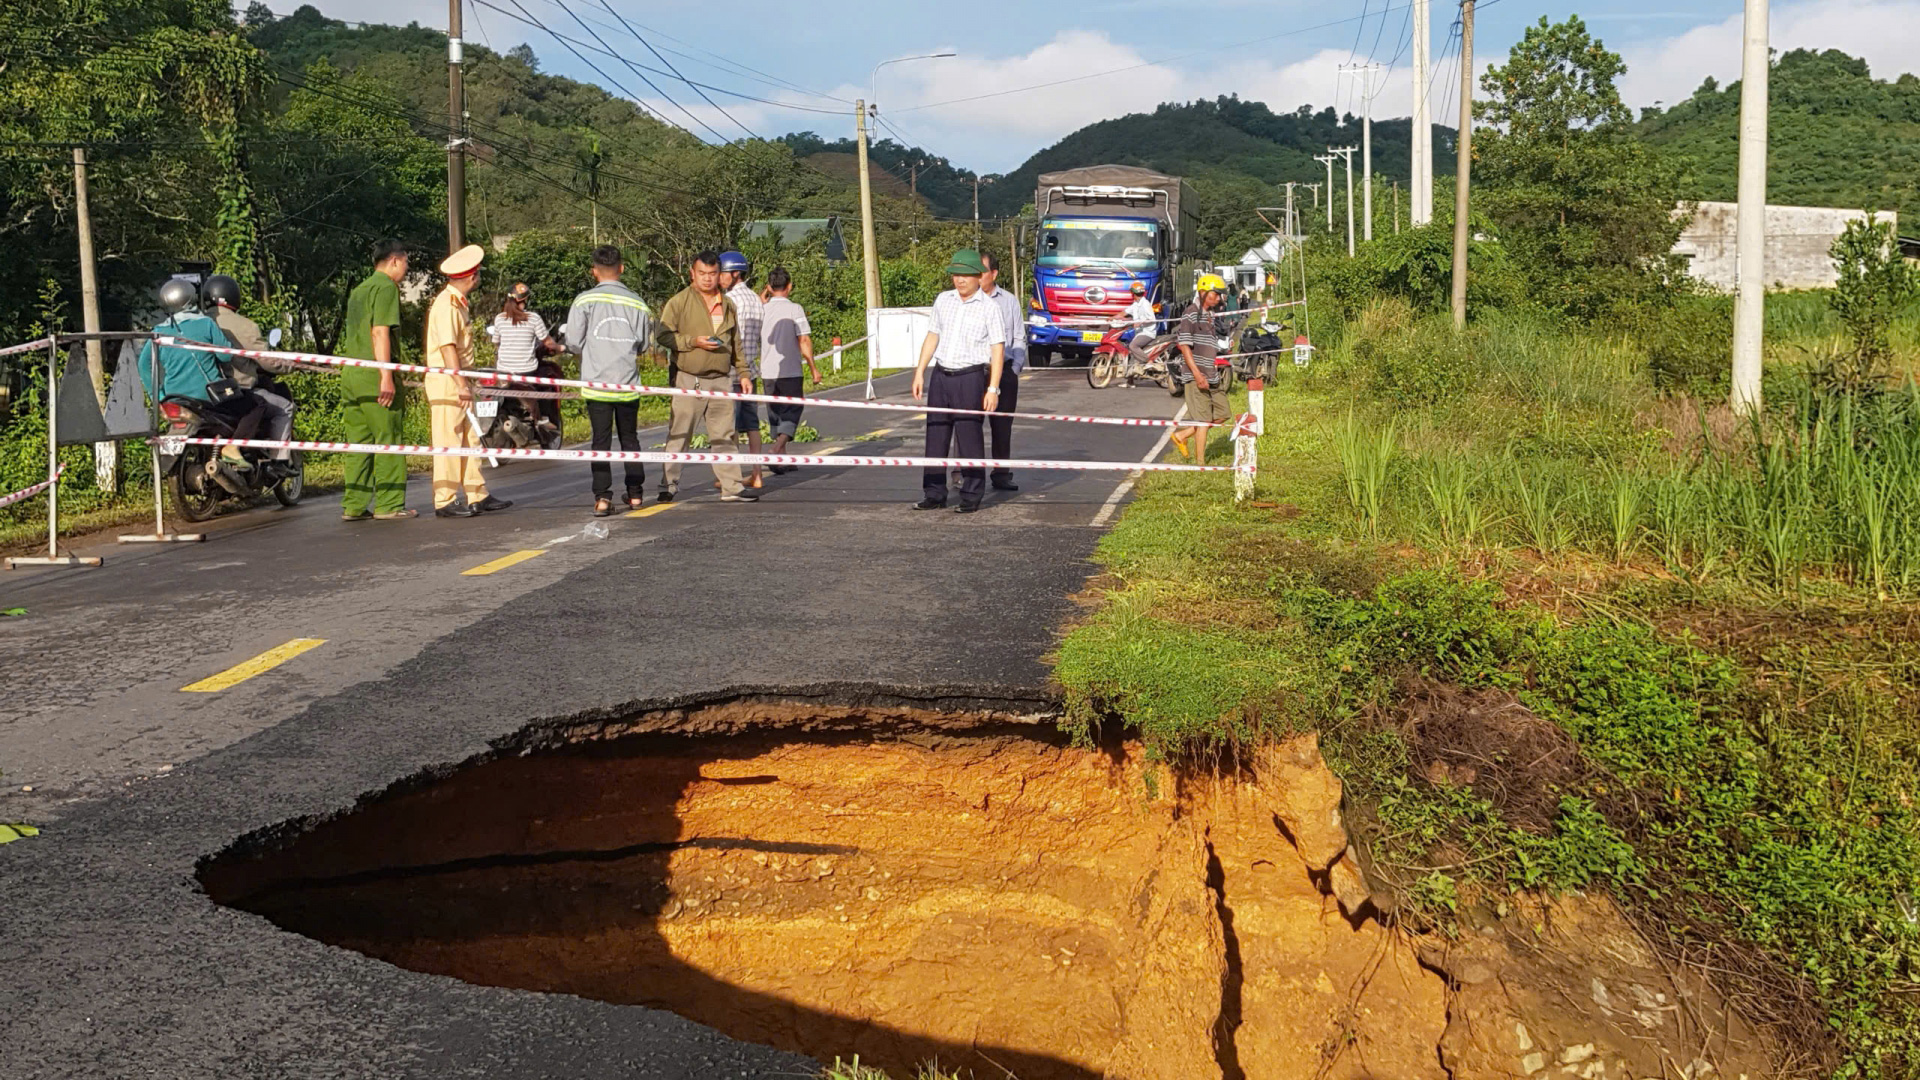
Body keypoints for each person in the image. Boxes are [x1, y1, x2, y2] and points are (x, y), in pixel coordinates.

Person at [910, 248, 1006, 514]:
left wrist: (993, 388)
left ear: (979, 276)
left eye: (965, 275)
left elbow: (997, 349)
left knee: (969, 438)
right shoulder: (944, 300)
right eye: (955, 274)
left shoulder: (990, 307)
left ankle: (971, 495)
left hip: (970, 376)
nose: (960, 280)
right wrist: (920, 372)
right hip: (942, 375)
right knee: (936, 436)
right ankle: (934, 493)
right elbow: (932, 336)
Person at [655, 250, 755, 503]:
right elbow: (663, 336)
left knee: (724, 435)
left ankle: (732, 487)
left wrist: (744, 373)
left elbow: (736, 343)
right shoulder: (679, 302)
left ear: (719, 275)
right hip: (689, 378)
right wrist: (693, 342)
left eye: (712, 274)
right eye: (702, 274)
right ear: (692, 273)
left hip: (721, 379)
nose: (708, 279)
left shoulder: (728, 304)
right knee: (679, 434)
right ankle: (669, 484)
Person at [563, 245, 653, 516]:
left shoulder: (583, 301)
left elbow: (573, 342)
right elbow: (644, 344)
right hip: (627, 383)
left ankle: (602, 498)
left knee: (600, 441)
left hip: (596, 384)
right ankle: (636, 494)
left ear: (594, 272)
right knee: (630, 440)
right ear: (622, 268)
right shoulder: (638, 303)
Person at [136, 277, 259, 473]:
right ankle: (232, 448)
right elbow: (224, 357)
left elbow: (143, 365)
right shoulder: (205, 324)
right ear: (191, 298)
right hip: (208, 396)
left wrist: (157, 397)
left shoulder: (158, 332)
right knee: (255, 405)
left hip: (172, 398)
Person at [425, 243, 511, 518]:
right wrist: (460, 383)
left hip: (460, 377)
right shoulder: (446, 304)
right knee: (449, 439)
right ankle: (445, 499)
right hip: (448, 379)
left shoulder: (458, 304)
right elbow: (448, 347)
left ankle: (477, 493)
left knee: (471, 438)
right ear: (472, 277)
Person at [337, 239, 415, 520]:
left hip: (351, 373)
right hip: (374, 373)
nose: (406, 269)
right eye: (406, 262)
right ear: (394, 260)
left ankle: (354, 505)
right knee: (388, 437)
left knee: (359, 442)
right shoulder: (385, 288)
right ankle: (390, 504)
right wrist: (387, 375)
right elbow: (380, 332)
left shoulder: (359, 290)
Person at [201, 274, 296, 475]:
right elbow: (268, 361)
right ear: (233, 297)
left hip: (201, 392)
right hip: (238, 390)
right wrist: (290, 365)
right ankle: (278, 462)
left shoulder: (198, 324)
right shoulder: (245, 326)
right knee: (285, 408)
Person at [758, 266, 819, 470]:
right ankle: (776, 449)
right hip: (791, 371)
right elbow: (804, 340)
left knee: (775, 414)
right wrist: (813, 368)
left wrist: (762, 297)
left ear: (769, 286)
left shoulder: (762, 309)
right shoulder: (795, 309)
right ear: (789, 286)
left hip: (767, 371)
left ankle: (781, 460)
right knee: (792, 411)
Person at [1170, 273, 1231, 463]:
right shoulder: (1191, 313)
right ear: (1203, 292)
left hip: (1211, 375)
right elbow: (1185, 346)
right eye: (1216, 294)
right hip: (1197, 375)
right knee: (1203, 421)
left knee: (1223, 414)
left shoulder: (1210, 316)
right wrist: (1197, 374)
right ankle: (1201, 465)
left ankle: (1182, 436)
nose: (1219, 298)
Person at [490, 282, 561, 446]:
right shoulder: (533, 318)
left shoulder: (499, 319)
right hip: (526, 372)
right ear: (523, 301)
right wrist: (560, 348)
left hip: (503, 372)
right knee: (545, 386)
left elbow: (496, 342)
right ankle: (540, 419)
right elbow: (548, 343)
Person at [718, 251, 765, 489]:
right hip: (752, 372)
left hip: (733, 372)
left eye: (723, 273)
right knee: (752, 425)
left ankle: (731, 477)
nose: (719, 277)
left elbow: (729, 338)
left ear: (735, 273)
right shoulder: (757, 299)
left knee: (730, 427)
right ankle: (757, 474)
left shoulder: (730, 301)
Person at [979, 251, 1025, 493]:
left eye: (981, 272)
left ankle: (1001, 473)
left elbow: (1018, 336)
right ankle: (965, 471)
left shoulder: (1008, 301)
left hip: (1004, 370)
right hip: (975, 370)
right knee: (968, 423)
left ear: (994, 274)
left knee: (1002, 425)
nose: (976, 277)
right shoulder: (966, 300)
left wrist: (1015, 368)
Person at [1122, 280, 1158, 370]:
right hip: (1139, 333)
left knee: (1133, 346)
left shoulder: (1145, 304)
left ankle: (1149, 361)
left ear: (1132, 293)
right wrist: (1111, 318)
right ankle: (1130, 382)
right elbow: (1124, 312)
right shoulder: (1135, 304)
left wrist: (1140, 322)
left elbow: (1152, 319)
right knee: (1130, 352)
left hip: (1147, 333)